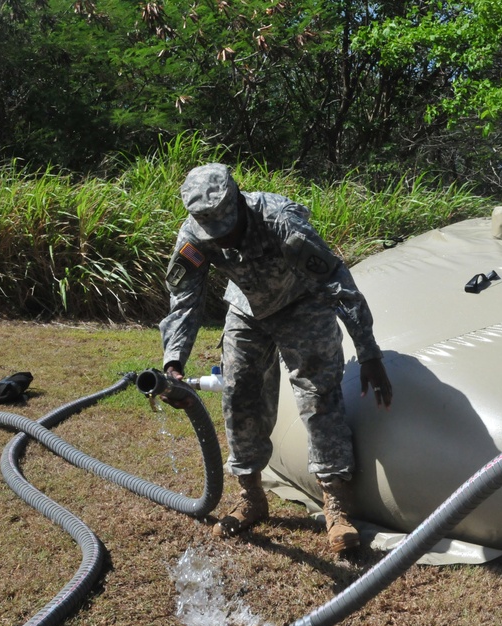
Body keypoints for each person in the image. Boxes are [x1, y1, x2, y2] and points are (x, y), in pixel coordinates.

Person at [159, 163, 392, 553]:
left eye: (228, 225)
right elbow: (184, 300)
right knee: (239, 396)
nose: (224, 235)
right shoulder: (193, 235)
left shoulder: (281, 220)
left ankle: (336, 506)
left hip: (303, 304)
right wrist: (174, 361)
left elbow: (337, 282)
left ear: (237, 198)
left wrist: (368, 352)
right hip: (246, 309)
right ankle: (252, 498)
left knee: (318, 395)